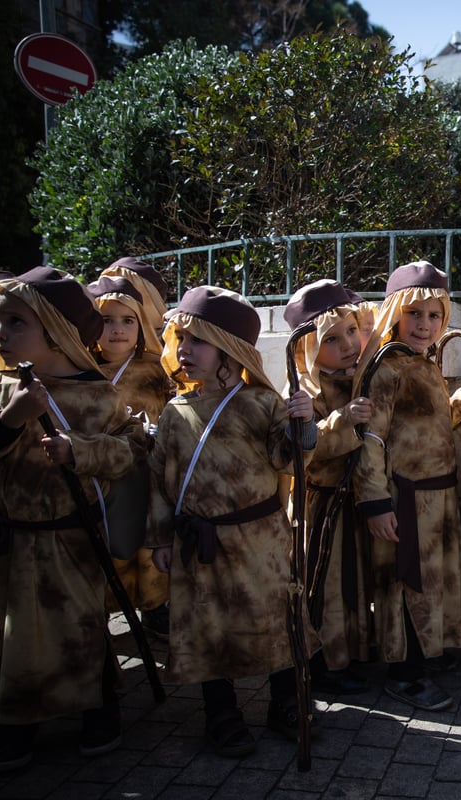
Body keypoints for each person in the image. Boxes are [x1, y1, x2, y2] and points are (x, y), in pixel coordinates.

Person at [146, 286, 317, 758]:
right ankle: (220, 712)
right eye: (181, 339)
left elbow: (287, 460)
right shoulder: (176, 411)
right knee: (208, 627)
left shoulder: (262, 403)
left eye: (197, 341)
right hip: (198, 544)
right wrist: (160, 537)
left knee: (274, 620)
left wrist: (303, 426)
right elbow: (162, 483)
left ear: (229, 349)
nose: (184, 350)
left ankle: (286, 700)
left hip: (259, 540)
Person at [0, 267, 147, 770]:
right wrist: (11, 420)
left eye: (16, 322)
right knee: (16, 635)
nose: (2, 333)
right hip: (12, 540)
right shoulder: (1, 390)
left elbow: (133, 450)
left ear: (57, 332)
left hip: (73, 538)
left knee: (81, 627)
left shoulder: (100, 395)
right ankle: (19, 716)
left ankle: (97, 706)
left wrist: (79, 450)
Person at [352, 262, 461, 710]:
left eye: (434, 315)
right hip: (404, 499)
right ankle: (405, 674)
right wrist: (376, 501)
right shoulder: (387, 368)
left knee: (431, 585)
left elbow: (422, 426)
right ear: (396, 314)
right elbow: (373, 439)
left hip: (438, 499)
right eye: (414, 313)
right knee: (407, 584)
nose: (424, 324)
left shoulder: (423, 364)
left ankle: (426, 655)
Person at [283, 279, 373, 696]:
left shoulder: (359, 378)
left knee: (352, 583)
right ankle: (323, 662)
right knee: (323, 583)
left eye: (352, 331)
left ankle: (352, 654)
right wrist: (345, 420)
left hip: (351, 499)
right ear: (307, 348)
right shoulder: (303, 390)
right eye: (333, 339)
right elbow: (306, 449)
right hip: (318, 504)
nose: (349, 344)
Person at [86, 275, 175, 637]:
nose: (118, 330)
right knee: (107, 546)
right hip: (100, 475)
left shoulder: (158, 369)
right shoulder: (82, 372)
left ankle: (155, 607)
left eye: (128, 320)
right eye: (107, 320)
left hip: (149, 475)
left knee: (148, 541)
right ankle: (104, 610)